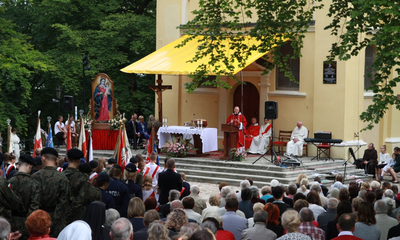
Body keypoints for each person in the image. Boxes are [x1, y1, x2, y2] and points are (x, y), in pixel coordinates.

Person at [32, 147, 69, 237]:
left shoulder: (35, 176)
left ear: (43, 158)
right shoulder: (63, 178)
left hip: (38, 219)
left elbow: (33, 201)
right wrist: (53, 221)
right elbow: (63, 202)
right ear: (56, 160)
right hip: (58, 222)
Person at [64, 149, 101, 224]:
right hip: (77, 218)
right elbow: (90, 196)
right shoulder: (82, 178)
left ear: (67, 159)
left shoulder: (59, 176)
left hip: (59, 217)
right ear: (79, 161)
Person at [8, 155, 40, 239]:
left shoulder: (9, 182)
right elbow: (34, 208)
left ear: (19, 164)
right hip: (27, 224)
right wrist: (25, 228)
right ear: (30, 166)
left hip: (10, 224)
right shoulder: (34, 184)